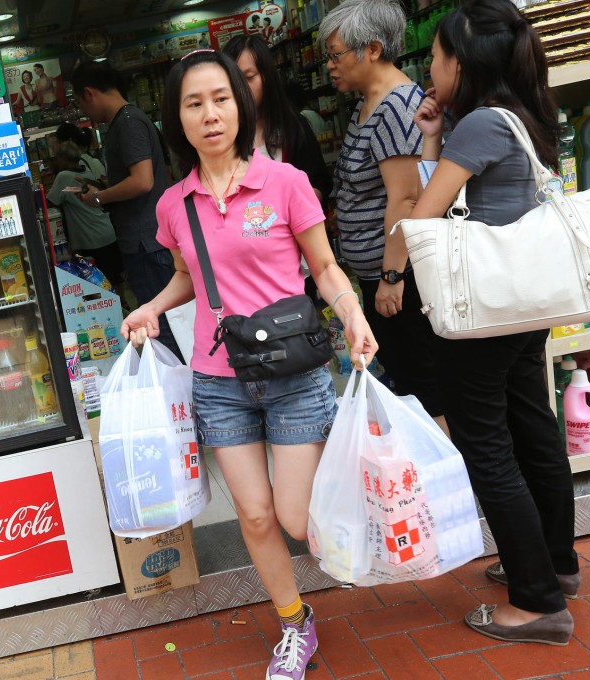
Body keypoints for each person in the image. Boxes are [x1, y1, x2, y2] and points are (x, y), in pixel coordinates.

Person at [122, 49, 378, 680]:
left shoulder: (286, 183)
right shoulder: (173, 205)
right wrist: (149, 308)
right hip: (218, 381)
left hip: (294, 376)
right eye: (194, 103)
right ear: (176, 120)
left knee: (294, 516)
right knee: (256, 516)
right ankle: (295, 623)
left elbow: (323, 267)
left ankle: (365, 511)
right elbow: (188, 278)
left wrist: (351, 314)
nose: (210, 115)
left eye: (221, 99)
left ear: (241, 105)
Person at [410, 0, 577, 645]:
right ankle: (554, 568)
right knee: (534, 429)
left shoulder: (479, 124)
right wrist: (434, 133)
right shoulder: (531, 115)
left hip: (482, 310)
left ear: (462, 61)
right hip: (525, 302)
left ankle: (534, 603)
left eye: (435, 55)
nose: (430, 66)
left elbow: (426, 214)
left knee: (487, 447)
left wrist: (393, 277)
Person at [318, 0, 446, 428]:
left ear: (372, 49)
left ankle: (446, 479)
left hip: (399, 280)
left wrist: (393, 277)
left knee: (425, 385)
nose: (330, 67)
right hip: (379, 276)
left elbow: (406, 200)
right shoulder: (367, 104)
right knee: (408, 380)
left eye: (336, 55)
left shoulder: (396, 108)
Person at [71, 60, 184, 360]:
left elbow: (143, 181)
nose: (83, 112)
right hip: (146, 240)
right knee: (164, 322)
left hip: (147, 242)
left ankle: (180, 394)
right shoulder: (128, 121)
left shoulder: (128, 122)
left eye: (80, 103)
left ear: (89, 93)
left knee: (162, 325)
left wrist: (100, 197)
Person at [223, 34, 332, 205]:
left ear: (266, 77)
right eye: (232, 80)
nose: (240, 88)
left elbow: (319, 183)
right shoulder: (219, 135)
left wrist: (292, 206)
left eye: (249, 78)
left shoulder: (293, 126)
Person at [47, 141, 125, 289]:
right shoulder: (87, 172)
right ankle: (122, 307)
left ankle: (111, 310)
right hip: (107, 233)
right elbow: (69, 192)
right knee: (114, 278)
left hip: (90, 239)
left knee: (95, 284)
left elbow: (50, 201)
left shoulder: (63, 177)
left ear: (63, 158)